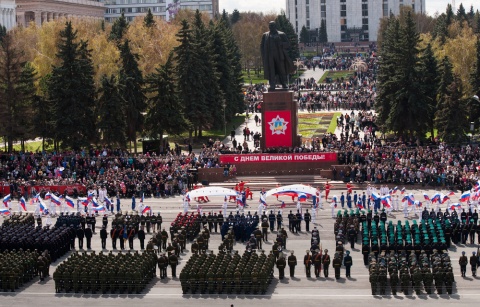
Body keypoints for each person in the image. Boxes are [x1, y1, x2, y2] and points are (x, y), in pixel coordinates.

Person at [260, 21, 295, 91]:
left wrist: (280, 43)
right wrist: (263, 55)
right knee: (271, 70)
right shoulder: (265, 35)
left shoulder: (281, 34)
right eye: (269, 26)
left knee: (281, 70)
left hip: (279, 55)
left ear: (275, 26)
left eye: (272, 26)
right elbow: (262, 46)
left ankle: (283, 83)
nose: (270, 27)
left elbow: (287, 44)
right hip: (270, 56)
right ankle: (272, 85)